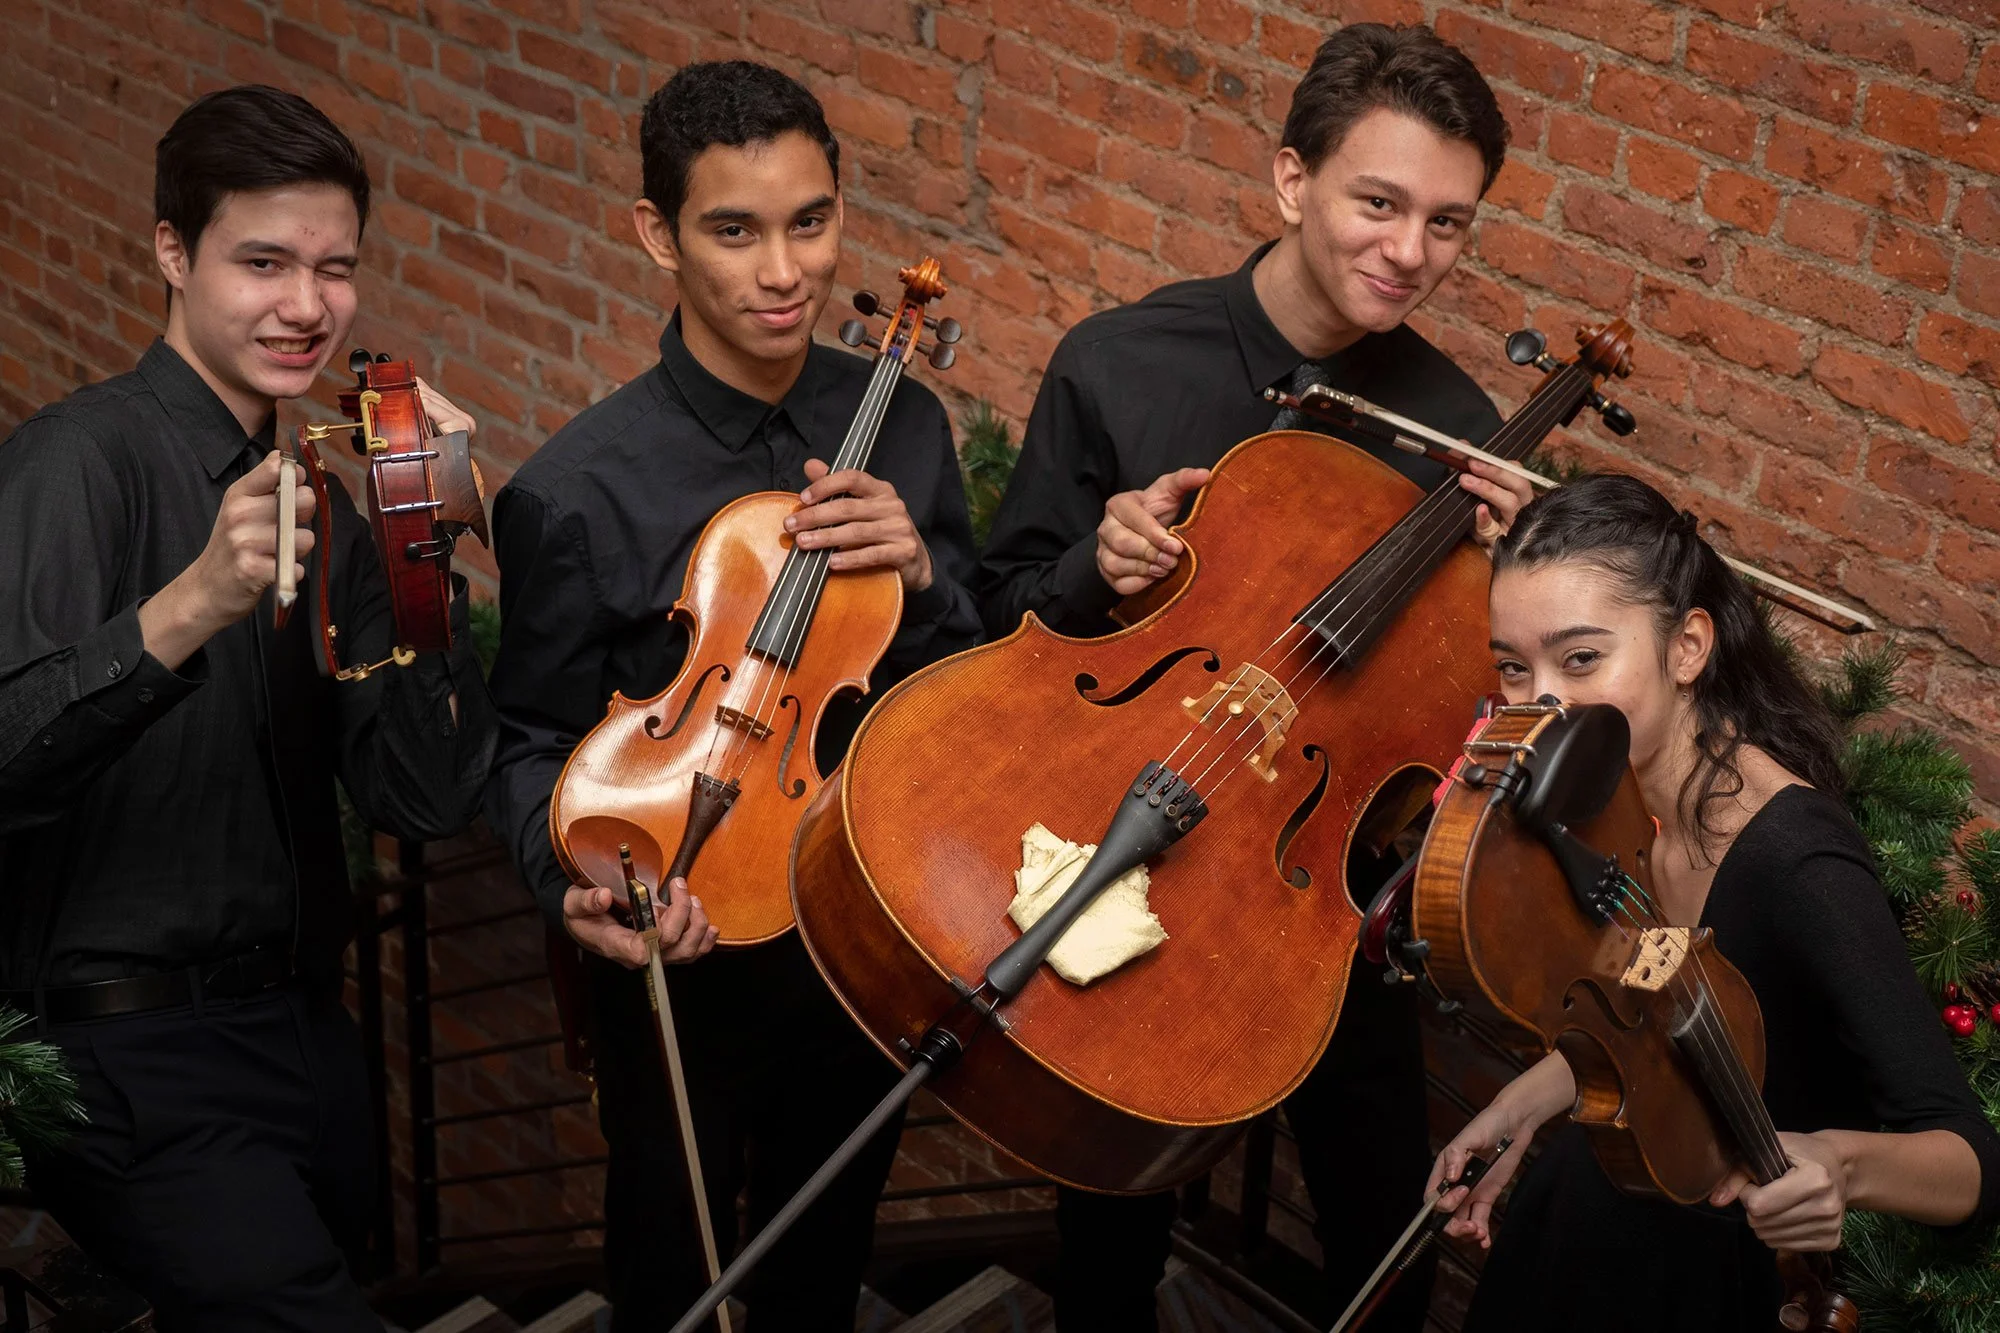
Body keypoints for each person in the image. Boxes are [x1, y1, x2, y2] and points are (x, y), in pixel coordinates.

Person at [975, 23, 1535, 1332]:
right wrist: (1087, 571)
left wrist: (1513, 601)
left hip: (1321, 891)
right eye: (1379, 203)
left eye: (1450, 224)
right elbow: (990, 624)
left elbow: (1466, 718)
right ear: (1293, 182)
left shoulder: (1457, 433)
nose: (1410, 252)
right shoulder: (1118, 362)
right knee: (1108, 1240)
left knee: (1381, 1239)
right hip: (1133, 853)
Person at [482, 61, 981, 1331]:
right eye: (734, 229)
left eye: (809, 222)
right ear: (658, 234)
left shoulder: (906, 426)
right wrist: (580, 892)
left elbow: (954, 684)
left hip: (857, 927)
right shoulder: (575, 488)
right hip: (682, 939)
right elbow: (526, 743)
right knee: (669, 1260)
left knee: (826, 1257)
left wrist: (919, 574)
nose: (784, 271)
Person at [0, 85, 495, 1330]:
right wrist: (196, 599)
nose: (305, 306)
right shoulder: (76, 460)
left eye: (334, 269)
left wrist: (426, 559)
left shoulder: (329, 497)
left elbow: (420, 797)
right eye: (262, 262)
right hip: (129, 1056)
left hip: (309, 1046)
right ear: (173, 252)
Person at [1429, 473, 2000, 1331]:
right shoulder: (1604, 804)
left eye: (1581, 659)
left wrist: (1837, 1165)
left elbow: (1972, 1161)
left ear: (1688, 647)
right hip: (1597, 1198)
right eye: (1515, 667)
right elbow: (1643, 1018)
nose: (1540, 703)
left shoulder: (1799, 860)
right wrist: (1520, 1106)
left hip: (1710, 1276)